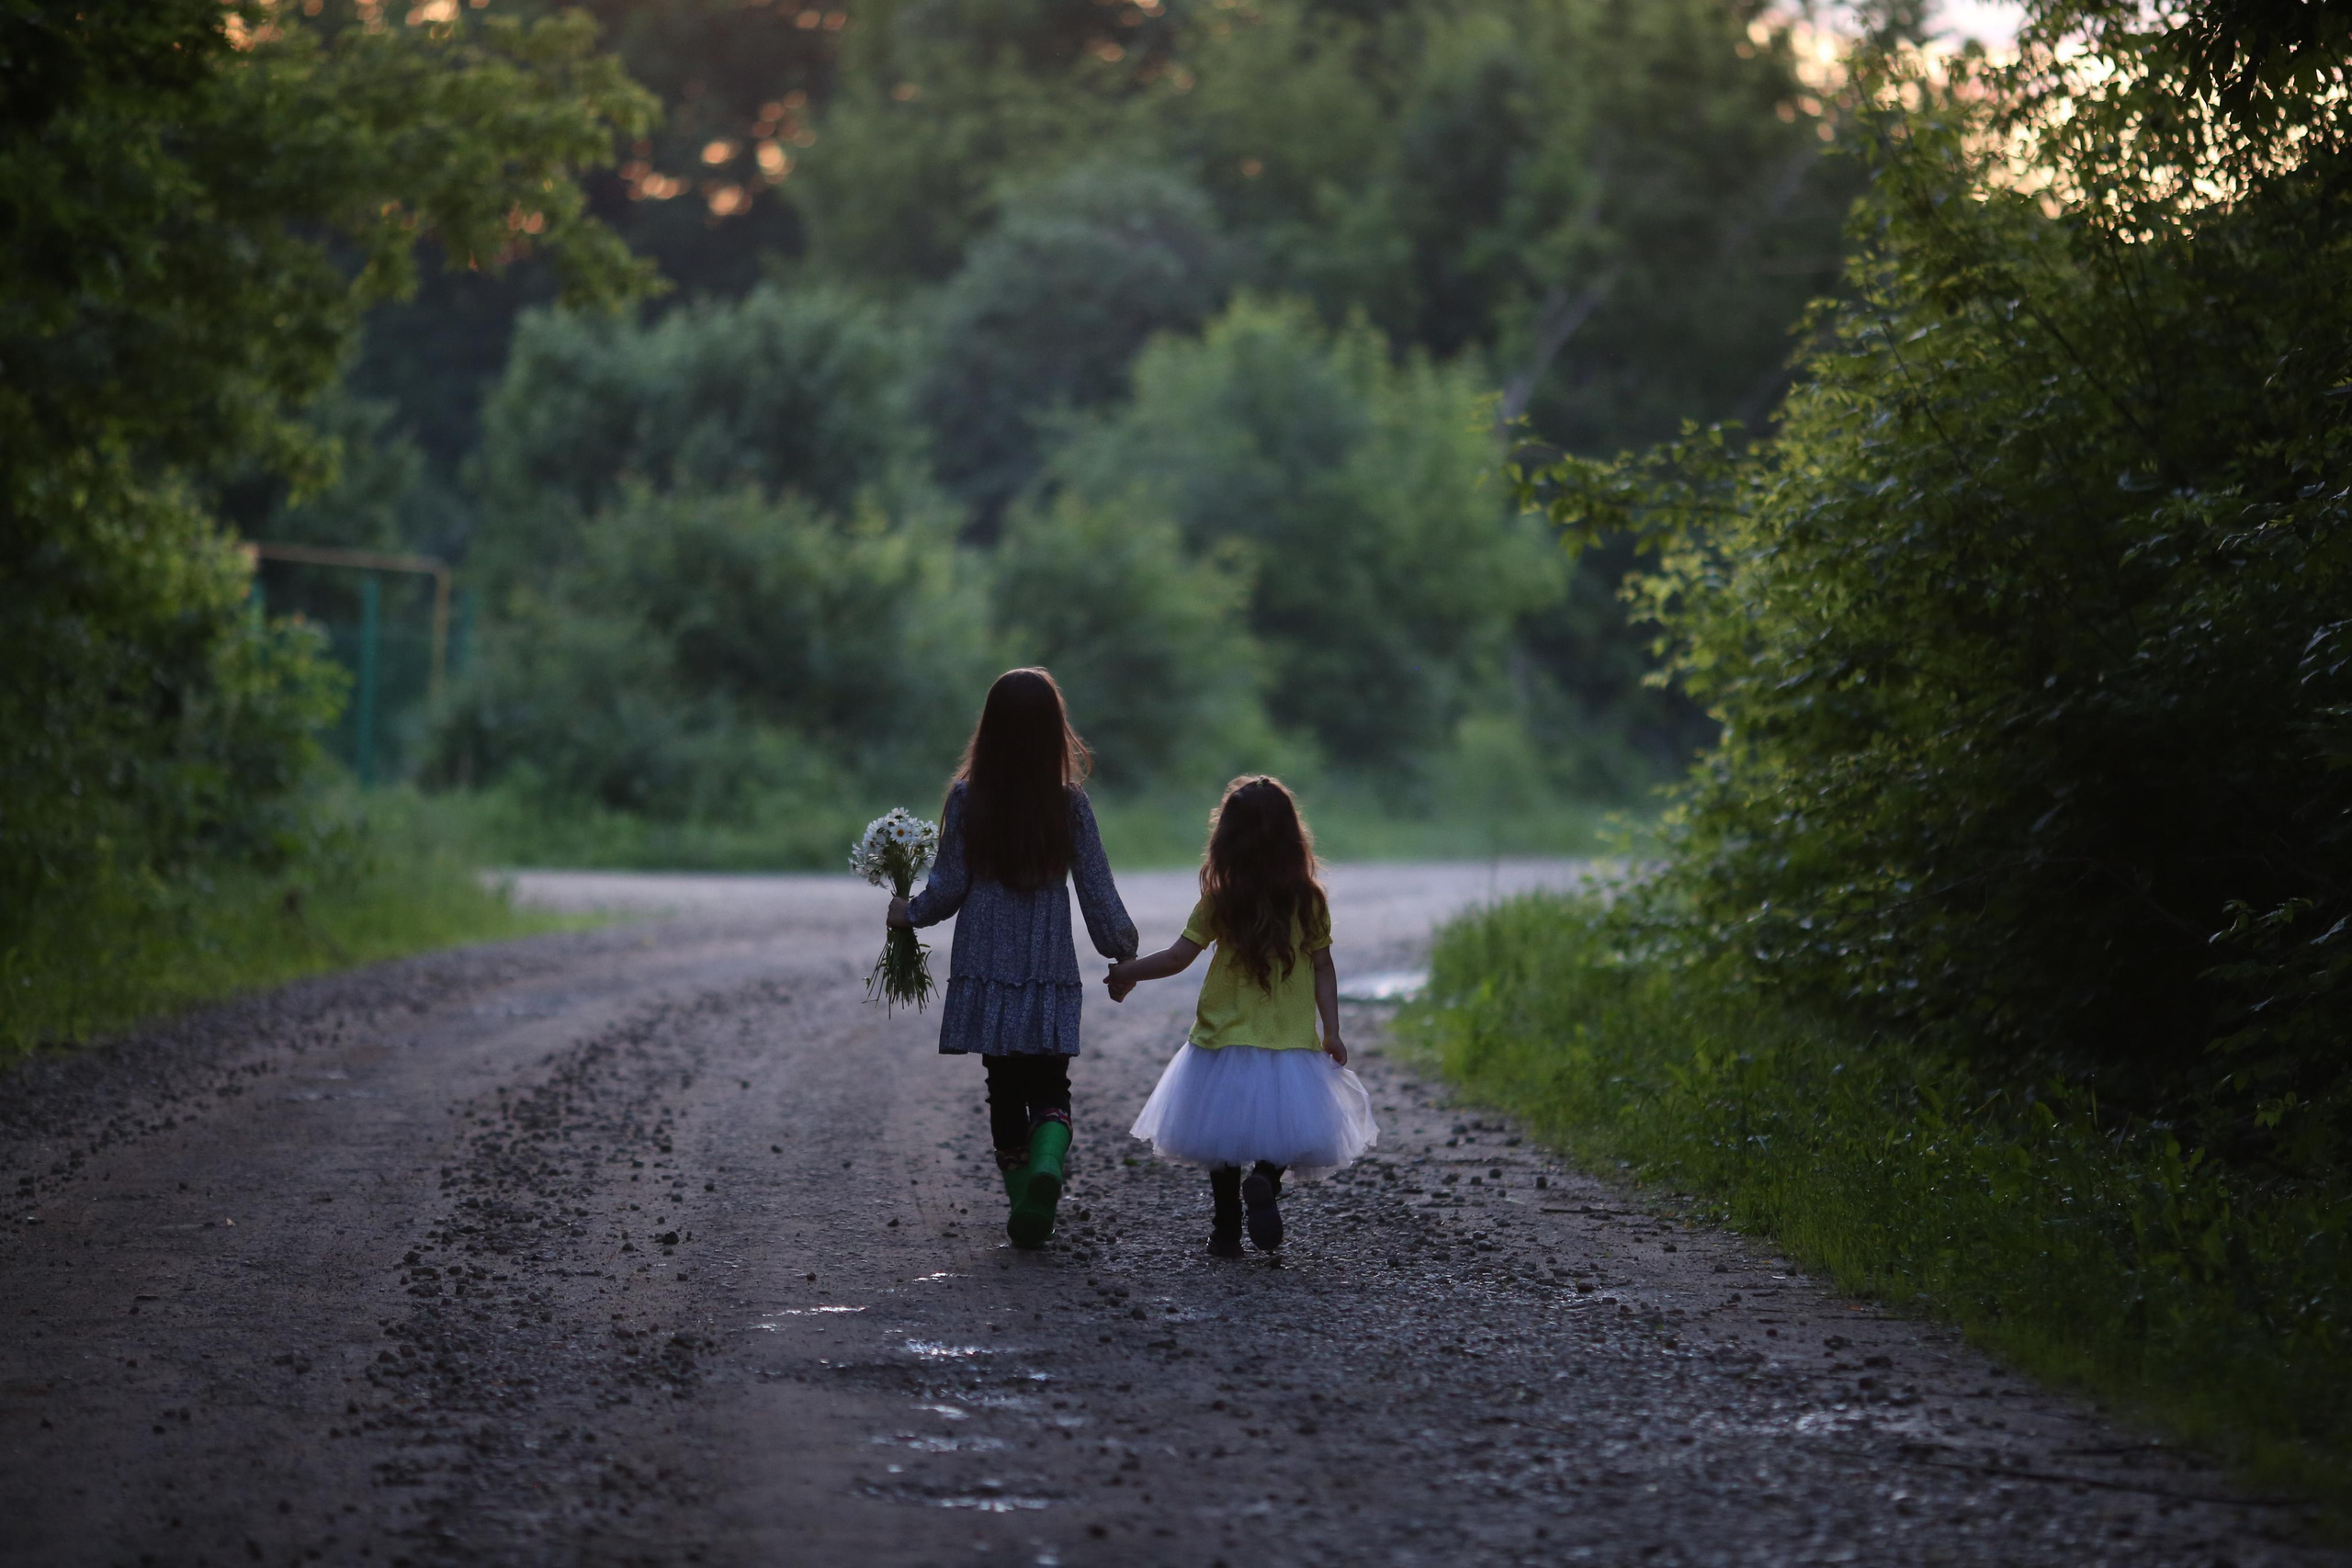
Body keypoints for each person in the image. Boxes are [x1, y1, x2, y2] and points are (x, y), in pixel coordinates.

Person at [890, 669, 1138, 1248]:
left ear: (990, 730)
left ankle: (1026, 1196)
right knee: (1051, 1084)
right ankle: (1049, 1165)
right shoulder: (1068, 804)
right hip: (1046, 968)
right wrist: (1120, 948)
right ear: (1055, 731)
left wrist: (909, 913)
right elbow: (1096, 890)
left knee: (1001, 1085)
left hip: (987, 970)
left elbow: (949, 887)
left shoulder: (966, 798)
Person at [1108, 776, 1376, 1256]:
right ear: (1292, 837)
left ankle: (1227, 1231)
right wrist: (1332, 1030)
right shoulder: (1308, 900)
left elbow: (1176, 958)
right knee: (1288, 1127)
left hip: (1222, 1039)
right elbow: (1322, 966)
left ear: (1227, 839)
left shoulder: (1222, 899)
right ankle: (1267, 1181)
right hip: (1289, 1041)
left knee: (1221, 1136)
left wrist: (1127, 972)